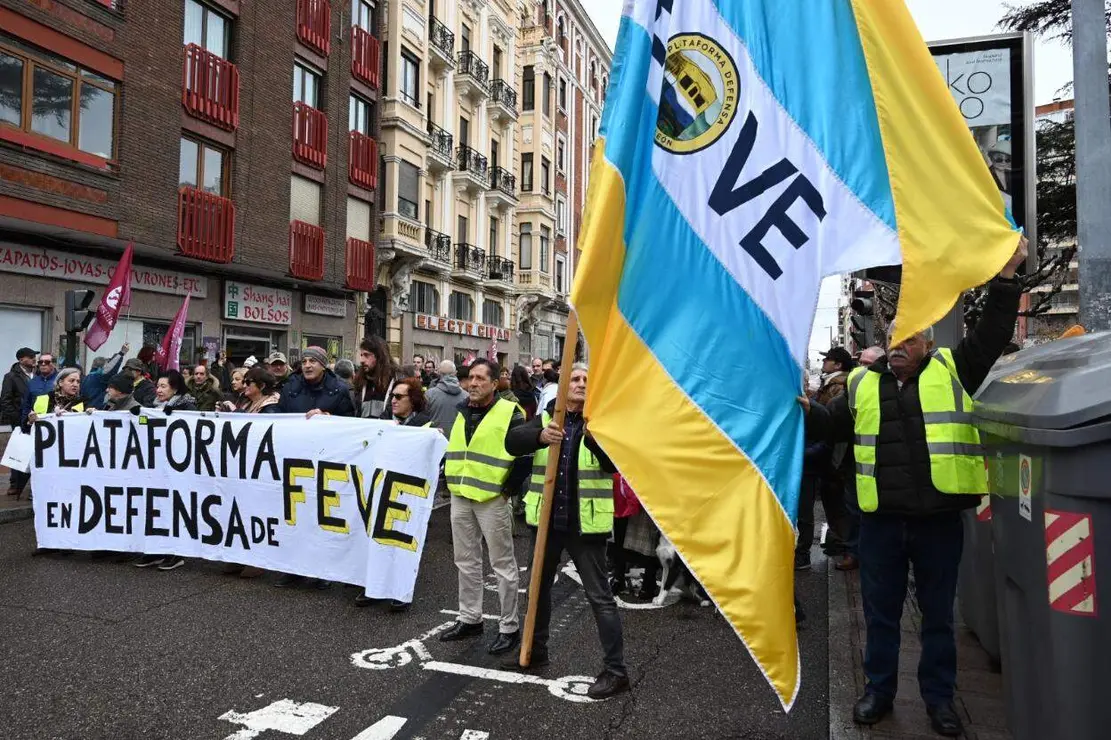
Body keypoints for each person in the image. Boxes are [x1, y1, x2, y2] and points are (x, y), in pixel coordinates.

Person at [802, 239, 1026, 737]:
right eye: (894, 340)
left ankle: (939, 700)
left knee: (938, 618)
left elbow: (991, 333)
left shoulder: (955, 369)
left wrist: (1007, 278)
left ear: (927, 342)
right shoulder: (861, 383)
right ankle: (878, 691)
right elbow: (828, 425)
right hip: (880, 524)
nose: (901, 348)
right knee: (880, 615)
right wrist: (801, 406)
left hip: (939, 523)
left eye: (910, 340)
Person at [504, 363, 630, 699]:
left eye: (587, 379)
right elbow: (512, 442)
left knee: (600, 598)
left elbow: (614, 465)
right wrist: (539, 436)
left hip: (585, 527)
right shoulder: (549, 417)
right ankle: (535, 649)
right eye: (574, 378)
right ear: (562, 385)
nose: (580, 383)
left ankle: (616, 671)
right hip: (547, 524)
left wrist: (593, 438)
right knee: (537, 591)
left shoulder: (602, 423)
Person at [439, 359, 529, 654]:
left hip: (492, 499)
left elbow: (524, 456)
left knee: (502, 564)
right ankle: (470, 619)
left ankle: (509, 626)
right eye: (470, 378)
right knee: (465, 561)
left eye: (480, 378)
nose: (473, 383)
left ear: (494, 383)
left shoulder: (509, 412)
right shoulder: (463, 409)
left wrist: (507, 492)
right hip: (462, 496)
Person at [795, 347, 857, 570]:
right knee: (833, 506)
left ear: (838, 364)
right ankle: (842, 544)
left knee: (837, 506)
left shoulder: (838, 387)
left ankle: (847, 548)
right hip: (824, 461)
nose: (824, 362)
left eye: (828, 359)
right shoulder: (829, 387)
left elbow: (831, 429)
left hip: (827, 462)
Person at [133, 370, 197, 571]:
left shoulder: (188, 407)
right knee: (155, 507)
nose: (158, 390)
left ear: (175, 388)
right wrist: (138, 418)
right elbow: (146, 428)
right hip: (157, 467)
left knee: (175, 508)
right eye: (157, 386)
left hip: (178, 468)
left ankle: (175, 552)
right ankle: (156, 550)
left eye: (163, 386)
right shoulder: (153, 407)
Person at [278, 347, 356, 419]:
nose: (307, 365)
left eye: (312, 361)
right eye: (304, 362)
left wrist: (326, 417)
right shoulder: (289, 388)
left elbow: (347, 422)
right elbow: (280, 418)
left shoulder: (339, 390)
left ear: (323, 366)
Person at [2, 348, 37, 499]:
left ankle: (30, 484)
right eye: (31, 357)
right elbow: (5, 400)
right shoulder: (11, 377)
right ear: (21, 359)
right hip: (19, 421)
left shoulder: (38, 375)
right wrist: (17, 419)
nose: (34, 359)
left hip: (36, 420)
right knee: (19, 451)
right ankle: (14, 484)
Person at [354, 336, 401, 419]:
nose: (361, 360)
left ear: (379, 356)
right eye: (361, 355)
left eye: (366, 355)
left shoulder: (397, 380)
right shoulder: (361, 382)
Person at [81, 344, 129, 410]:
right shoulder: (100, 376)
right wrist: (122, 353)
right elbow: (111, 368)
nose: (108, 364)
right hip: (96, 407)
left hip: (86, 408)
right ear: (102, 367)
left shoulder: (86, 378)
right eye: (107, 363)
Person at [426, 360, 464, 436]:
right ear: (455, 373)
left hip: (435, 441)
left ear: (439, 373)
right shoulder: (466, 396)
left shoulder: (429, 394)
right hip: (457, 442)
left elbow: (423, 420)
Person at [20, 351, 58, 426]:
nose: (43, 364)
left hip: (55, 422)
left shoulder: (61, 380)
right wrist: (25, 425)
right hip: (36, 423)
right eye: (40, 362)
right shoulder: (32, 382)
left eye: (47, 362)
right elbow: (26, 405)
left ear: (54, 364)